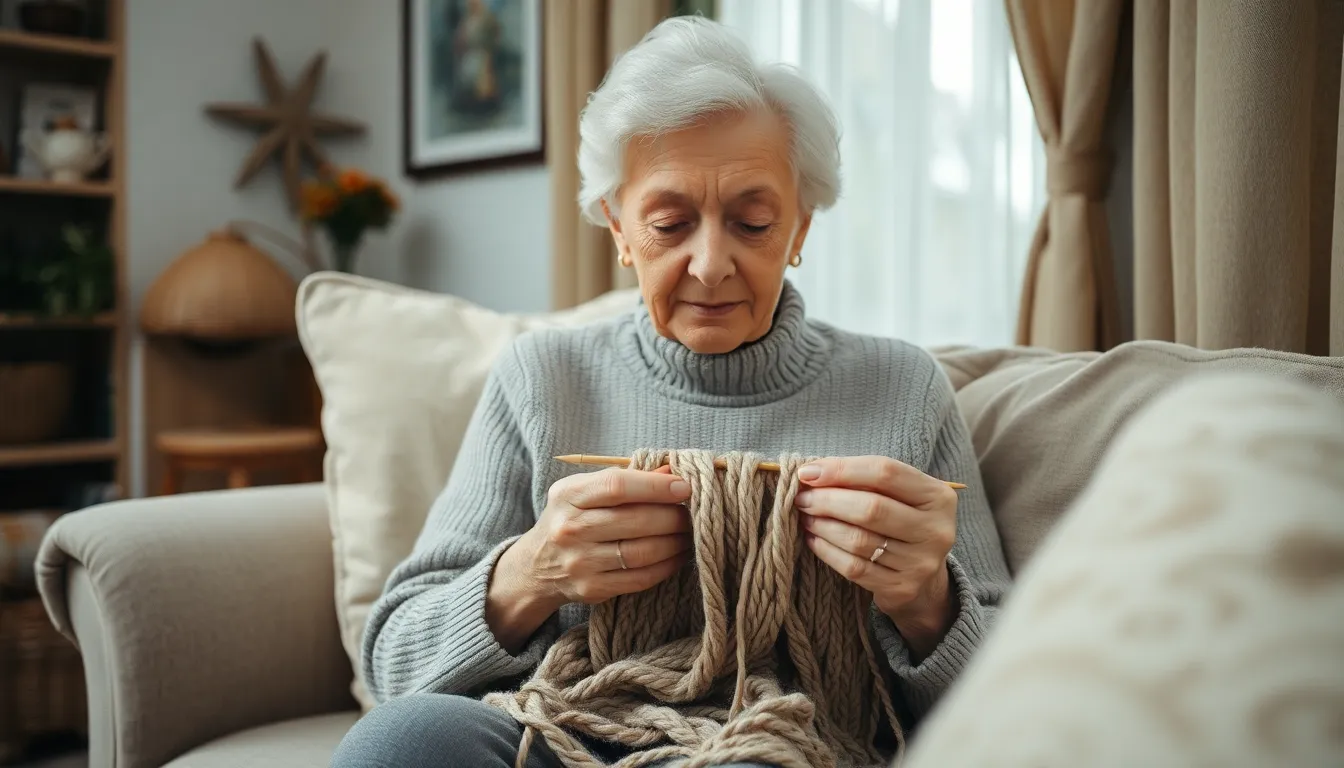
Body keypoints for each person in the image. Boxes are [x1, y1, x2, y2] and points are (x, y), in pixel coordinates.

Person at [333, 15, 1010, 768]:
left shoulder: (902, 390)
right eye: (669, 223)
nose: (711, 263)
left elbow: (1023, 688)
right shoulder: (542, 379)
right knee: (402, 743)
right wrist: (531, 572)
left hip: (790, 740)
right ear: (619, 227)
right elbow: (390, 665)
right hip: (564, 729)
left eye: (753, 223)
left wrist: (926, 603)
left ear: (800, 228)